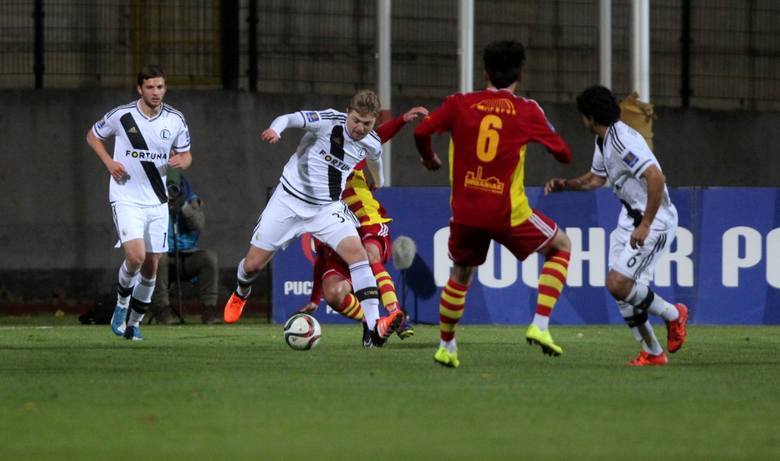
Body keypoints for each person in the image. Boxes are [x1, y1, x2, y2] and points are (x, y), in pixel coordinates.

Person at [414, 40, 573, 368]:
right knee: (561, 245)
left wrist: (429, 157)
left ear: (484, 72)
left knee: (461, 273)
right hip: (508, 213)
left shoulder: (459, 104)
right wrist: (542, 133)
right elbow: (564, 155)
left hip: (466, 212)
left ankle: (447, 346)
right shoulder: (528, 110)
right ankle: (540, 326)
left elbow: (422, 131)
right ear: (521, 73)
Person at [222, 90, 405, 347]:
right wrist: (276, 130)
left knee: (358, 255)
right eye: (355, 120)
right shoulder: (328, 121)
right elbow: (289, 118)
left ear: (374, 122)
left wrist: (380, 181)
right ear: (347, 112)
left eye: (367, 124)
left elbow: (377, 163)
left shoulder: (371, 142)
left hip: (326, 209)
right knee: (252, 266)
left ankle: (375, 328)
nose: (360, 128)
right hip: (288, 200)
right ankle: (241, 293)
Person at [544, 85, 688, 366]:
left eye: (582, 116)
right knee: (619, 291)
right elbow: (595, 179)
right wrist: (566, 185)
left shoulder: (623, 141)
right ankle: (653, 352)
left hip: (655, 219)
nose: (581, 121)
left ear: (590, 117)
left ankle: (674, 314)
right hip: (630, 218)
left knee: (618, 283)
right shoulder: (604, 140)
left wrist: (646, 225)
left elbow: (656, 178)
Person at [298, 107, 430, 344]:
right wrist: (315, 299)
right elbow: (319, 256)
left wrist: (402, 119)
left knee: (369, 256)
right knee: (334, 295)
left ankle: (395, 314)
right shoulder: (314, 193)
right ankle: (372, 324)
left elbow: (377, 137)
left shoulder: (348, 154)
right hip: (337, 231)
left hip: (367, 220)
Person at [86, 65, 192, 341]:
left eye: (160, 87)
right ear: (140, 89)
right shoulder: (123, 116)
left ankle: (134, 323)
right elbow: (93, 135)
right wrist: (109, 162)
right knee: (135, 256)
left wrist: (182, 161)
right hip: (126, 196)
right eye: (150, 87)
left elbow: (186, 154)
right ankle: (121, 307)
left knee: (152, 265)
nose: (156, 93)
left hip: (157, 200)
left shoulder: (175, 120)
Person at [149, 171, 220, 325]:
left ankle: (209, 310)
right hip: (162, 257)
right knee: (159, 259)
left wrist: (183, 207)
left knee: (209, 258)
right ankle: (162, 309)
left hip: (186, 257)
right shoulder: (149, 199)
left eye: (175, 187)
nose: (172, 191)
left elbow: (199, 224)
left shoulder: (189, 198)